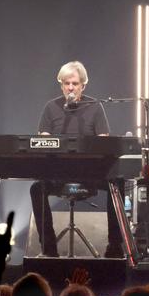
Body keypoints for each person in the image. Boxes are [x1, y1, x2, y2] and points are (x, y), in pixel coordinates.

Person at [29, 61, 124, 258]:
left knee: (118, 183)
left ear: (83, 85)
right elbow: (43, 141)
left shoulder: (95, 107)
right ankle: (49, 249)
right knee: (36, 188)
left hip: (90, 173)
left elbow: (104, 143)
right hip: (59, 173)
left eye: (74, 83)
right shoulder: (50, 107)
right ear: (61, 85)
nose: (70, 88)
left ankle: (115, 246)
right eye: (66, 83)